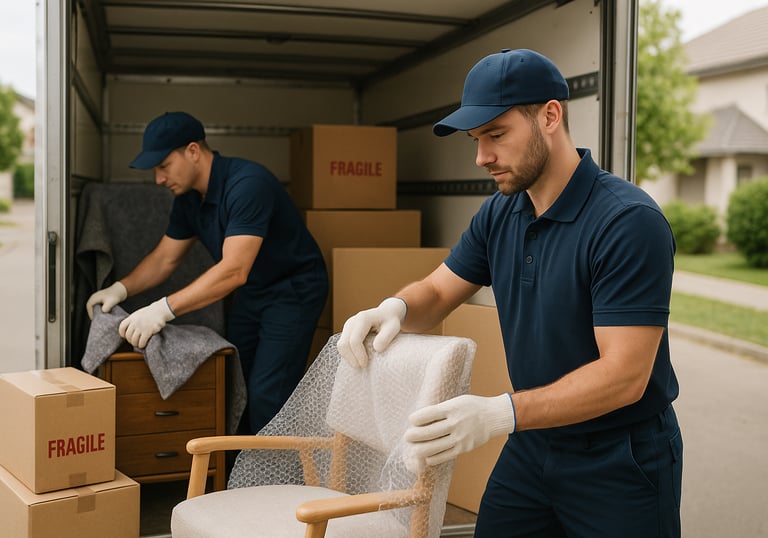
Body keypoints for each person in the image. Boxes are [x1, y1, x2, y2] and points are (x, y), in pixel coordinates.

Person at [337, 49, 682, 537]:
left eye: (496, 135)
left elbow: (624, 375)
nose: (482, 157)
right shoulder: (502, 213)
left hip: (618, 458)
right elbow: (438, 290)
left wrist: (500, 412)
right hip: (532, 445)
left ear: (550, 115)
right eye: (477, 140)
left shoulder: (626, 222)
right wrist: (394, 308)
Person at [86, 111, 328, 434]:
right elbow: (164, 259)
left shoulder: (247, 185)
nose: (158, 179)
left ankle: (279, 480)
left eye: (163, 166)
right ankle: (236, 471)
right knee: (234, 379)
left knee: (268, 393)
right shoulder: (188, 199)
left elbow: (233, 271)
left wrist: (162, 309)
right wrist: (119, 289)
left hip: (293, 290)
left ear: (193, 151)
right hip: (254, 290)